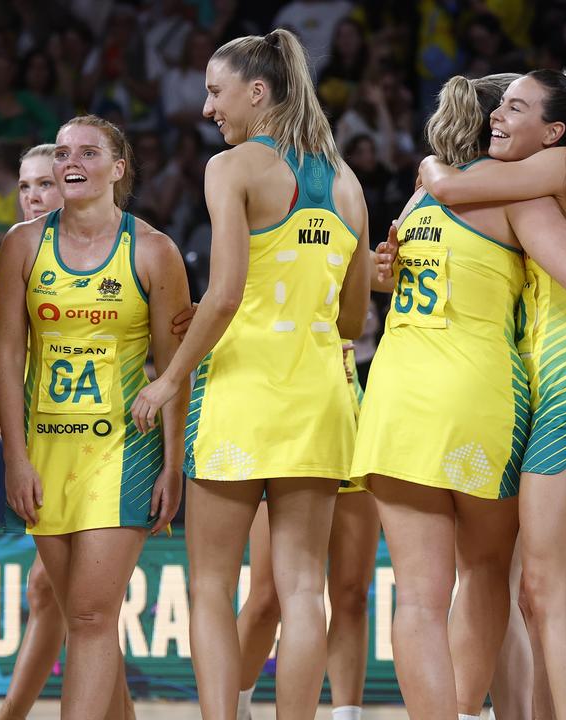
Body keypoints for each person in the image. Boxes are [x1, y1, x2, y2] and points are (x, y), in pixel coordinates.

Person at [361, 72, 566, 720]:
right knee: (510, 582)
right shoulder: (512, 191)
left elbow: (395, 271)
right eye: (504, 109)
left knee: (438, 596)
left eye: (522, 109)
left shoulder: (427, 197)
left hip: (406, 395)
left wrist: (385, 267)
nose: (510, 120)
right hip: (489, 390)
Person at [128, 29, 371, 719]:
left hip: (240, 393)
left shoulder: (231, 168)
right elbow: (354, 318)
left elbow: (229, 292)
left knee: (211, 587)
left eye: (215, 91)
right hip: (322, 398)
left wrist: (170, 377)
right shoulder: (346, 182)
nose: (208, 108)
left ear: (257, 93)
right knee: (302, 590)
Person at [0, 114, 189, 720]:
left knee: (90, 615)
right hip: (47, 454)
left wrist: (173, 466)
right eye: (62, 151)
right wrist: (16, 458)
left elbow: (173, 367)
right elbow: (5, 357)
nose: (69, 160)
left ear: (118, 168)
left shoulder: (154, 249)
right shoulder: (22, 245)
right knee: (86, 624)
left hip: (123, 451)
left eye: (87, 151)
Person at [234, 341, 379, 720]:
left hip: (346, 407)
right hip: (283, 414)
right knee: (267, 598)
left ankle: (348, 715)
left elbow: (381, 287)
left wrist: (386, 277)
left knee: (352, 594)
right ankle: (236, 706)